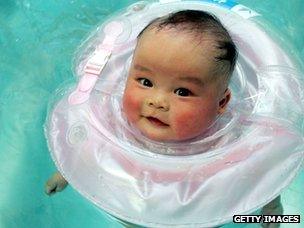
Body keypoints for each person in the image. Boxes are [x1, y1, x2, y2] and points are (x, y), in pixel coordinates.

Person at [45, 10, 282, 227]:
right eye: (145, 82)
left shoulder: (229, 142)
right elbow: (87, 144)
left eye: (182, 92)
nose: (157, 101)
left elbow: (262, 171)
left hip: (198, 214)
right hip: (131, 207)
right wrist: (68, 172)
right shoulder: (109, 117)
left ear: (221, 103)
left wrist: (270, 206)